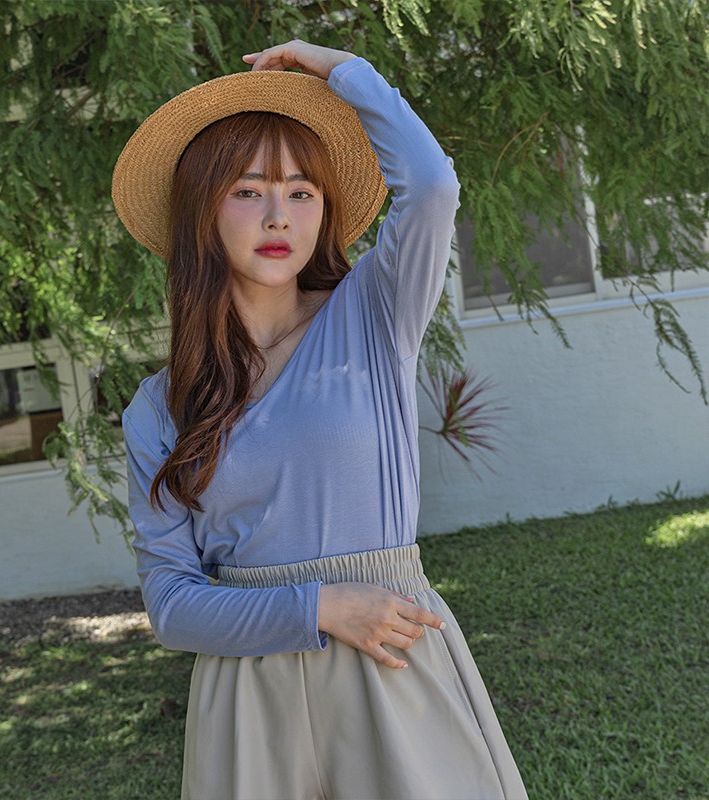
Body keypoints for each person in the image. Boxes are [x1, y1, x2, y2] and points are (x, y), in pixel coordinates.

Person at [113, 39, 527, 800]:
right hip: (250, 697)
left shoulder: (374, 312)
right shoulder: (160, 406)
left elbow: (432, 185)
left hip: (391, 655)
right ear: (202, 211)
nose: (279, 215)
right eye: (248, 190)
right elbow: (172, 606)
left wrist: (341, 70)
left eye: (302, 192)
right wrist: (321, 607)